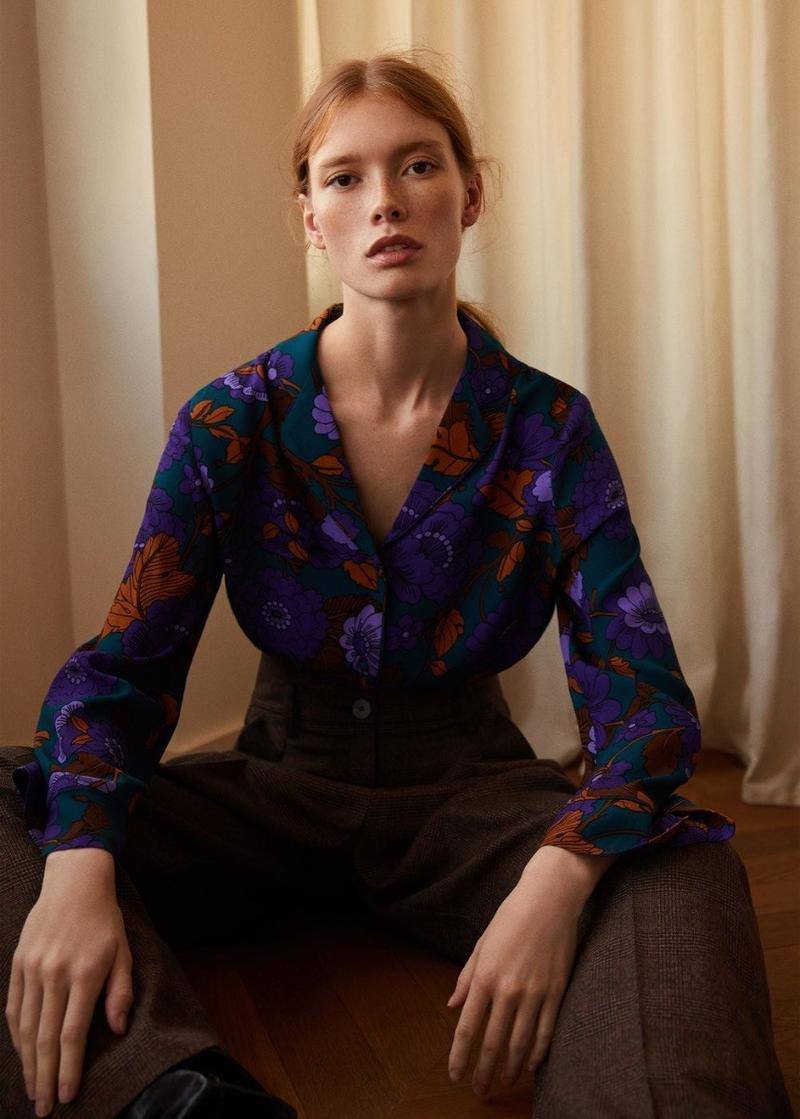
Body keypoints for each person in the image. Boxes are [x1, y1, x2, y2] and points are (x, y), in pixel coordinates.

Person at [1, 47, 793, 1119]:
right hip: (272, 791)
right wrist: (78, 863)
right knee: (25, 806)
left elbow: (641, 701)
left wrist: (556, 880)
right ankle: (167, 1095)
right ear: (310, 217)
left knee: (681, 865)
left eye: (418, 166)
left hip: (472, 803)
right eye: (346, 176)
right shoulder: (229, 422)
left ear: (470, 194)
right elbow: (123, 670)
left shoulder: (549, 428)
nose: (385, 201)